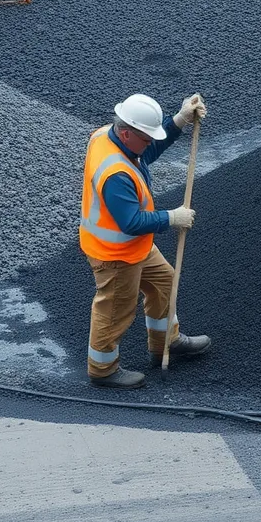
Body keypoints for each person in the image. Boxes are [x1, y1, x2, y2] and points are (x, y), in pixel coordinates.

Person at [79, 92, 211, 389]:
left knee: (165, 282)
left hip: (132, 246)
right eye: (147, 137)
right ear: (127, 133)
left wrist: (177, 122)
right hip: (115, 253)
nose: (150, 142)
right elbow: (131, 222)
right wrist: (171, 217)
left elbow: (144, 153)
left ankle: (166, 341)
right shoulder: (115, 173)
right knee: (115, 311)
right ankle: (102, 368)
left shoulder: (109, 136)